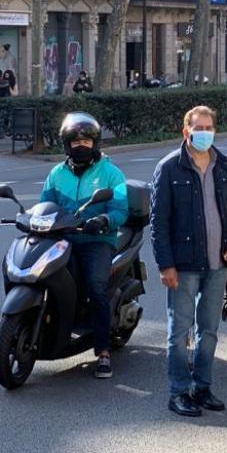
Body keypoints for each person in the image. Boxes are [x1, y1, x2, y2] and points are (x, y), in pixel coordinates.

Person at [152, 106, 227, 417]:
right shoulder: (169, 168)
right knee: (179, 332)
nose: (204, 133)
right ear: (186, 131)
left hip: (218, 264)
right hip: (183, 265)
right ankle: (179, 391)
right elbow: (158, 221)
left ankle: (202, 387)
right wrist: (165, 265)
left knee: (209, 330)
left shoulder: (225, 165)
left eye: (208, 127)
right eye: (198, 128)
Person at [41, 113, 128, 379]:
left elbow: (120, 209)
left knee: (95, 286)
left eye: (86, 141)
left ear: (95, 143)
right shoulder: (56, 174)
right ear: (67, 145)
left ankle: (103, 351)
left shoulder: (111, 173)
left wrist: (103, 220)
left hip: (97, 240)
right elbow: (44, 205)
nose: (81, 146)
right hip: (63, 238)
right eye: (75, 141)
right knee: (44, 276)